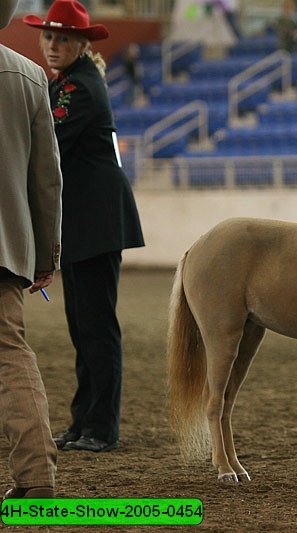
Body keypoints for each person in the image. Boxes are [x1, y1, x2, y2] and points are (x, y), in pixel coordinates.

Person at [24, 0, 145, 453]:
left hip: (94, 222)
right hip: (85, 222)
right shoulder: (70, 84)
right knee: (84, 326)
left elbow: (46, 145)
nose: (54, 45)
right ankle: (84, 422)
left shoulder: (79, 89)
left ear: (79, 44)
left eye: (63, 39)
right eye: (50, 37)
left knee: (95, 327)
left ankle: (100, 426)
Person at [0, 0, 62, 500]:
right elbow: (47, 181)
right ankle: (36, 476)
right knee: (10, 356)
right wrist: (44, 256)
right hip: (6, 247)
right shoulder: (29, 75)